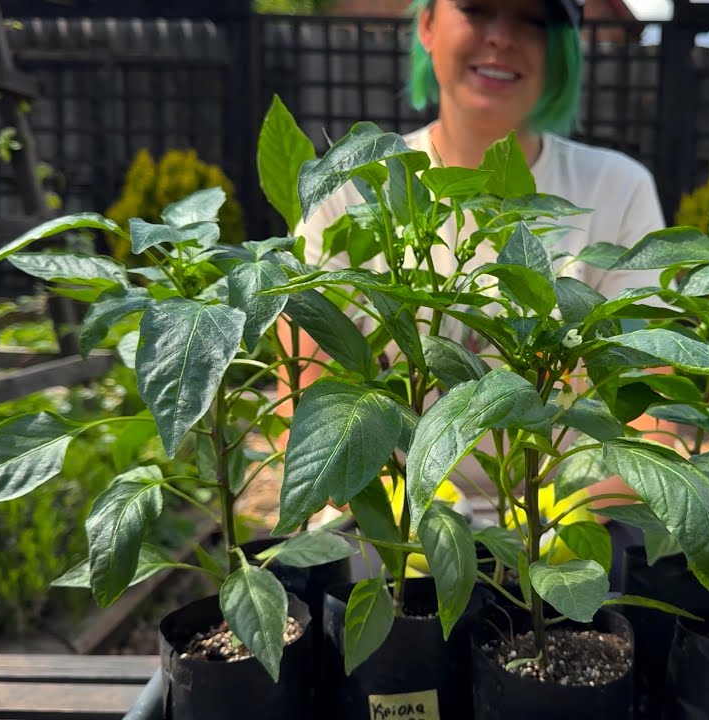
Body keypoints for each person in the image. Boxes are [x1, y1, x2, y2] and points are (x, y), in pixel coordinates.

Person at [280, 0, 667, 561]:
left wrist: (549, 532)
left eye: (533, 20)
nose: (502, 38)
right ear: (427, 24)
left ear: (562, 50)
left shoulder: (617, 190)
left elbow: (650, 420)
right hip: (393, 535)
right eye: (478, 8)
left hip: (567, 540)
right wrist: (411, 524)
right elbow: (308, 402)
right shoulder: (350, 190)